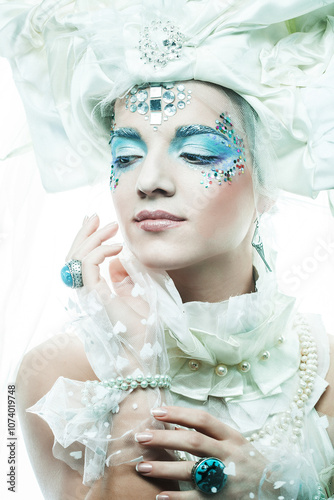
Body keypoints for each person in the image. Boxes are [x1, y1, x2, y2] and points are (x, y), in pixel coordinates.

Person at [1, 1, 334, 499]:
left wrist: (280, 486)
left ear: (267, 184)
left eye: (198, 153)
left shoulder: (322, 369)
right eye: (127, 155)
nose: (149, 181)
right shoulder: (55, 375)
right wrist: (136, 366)